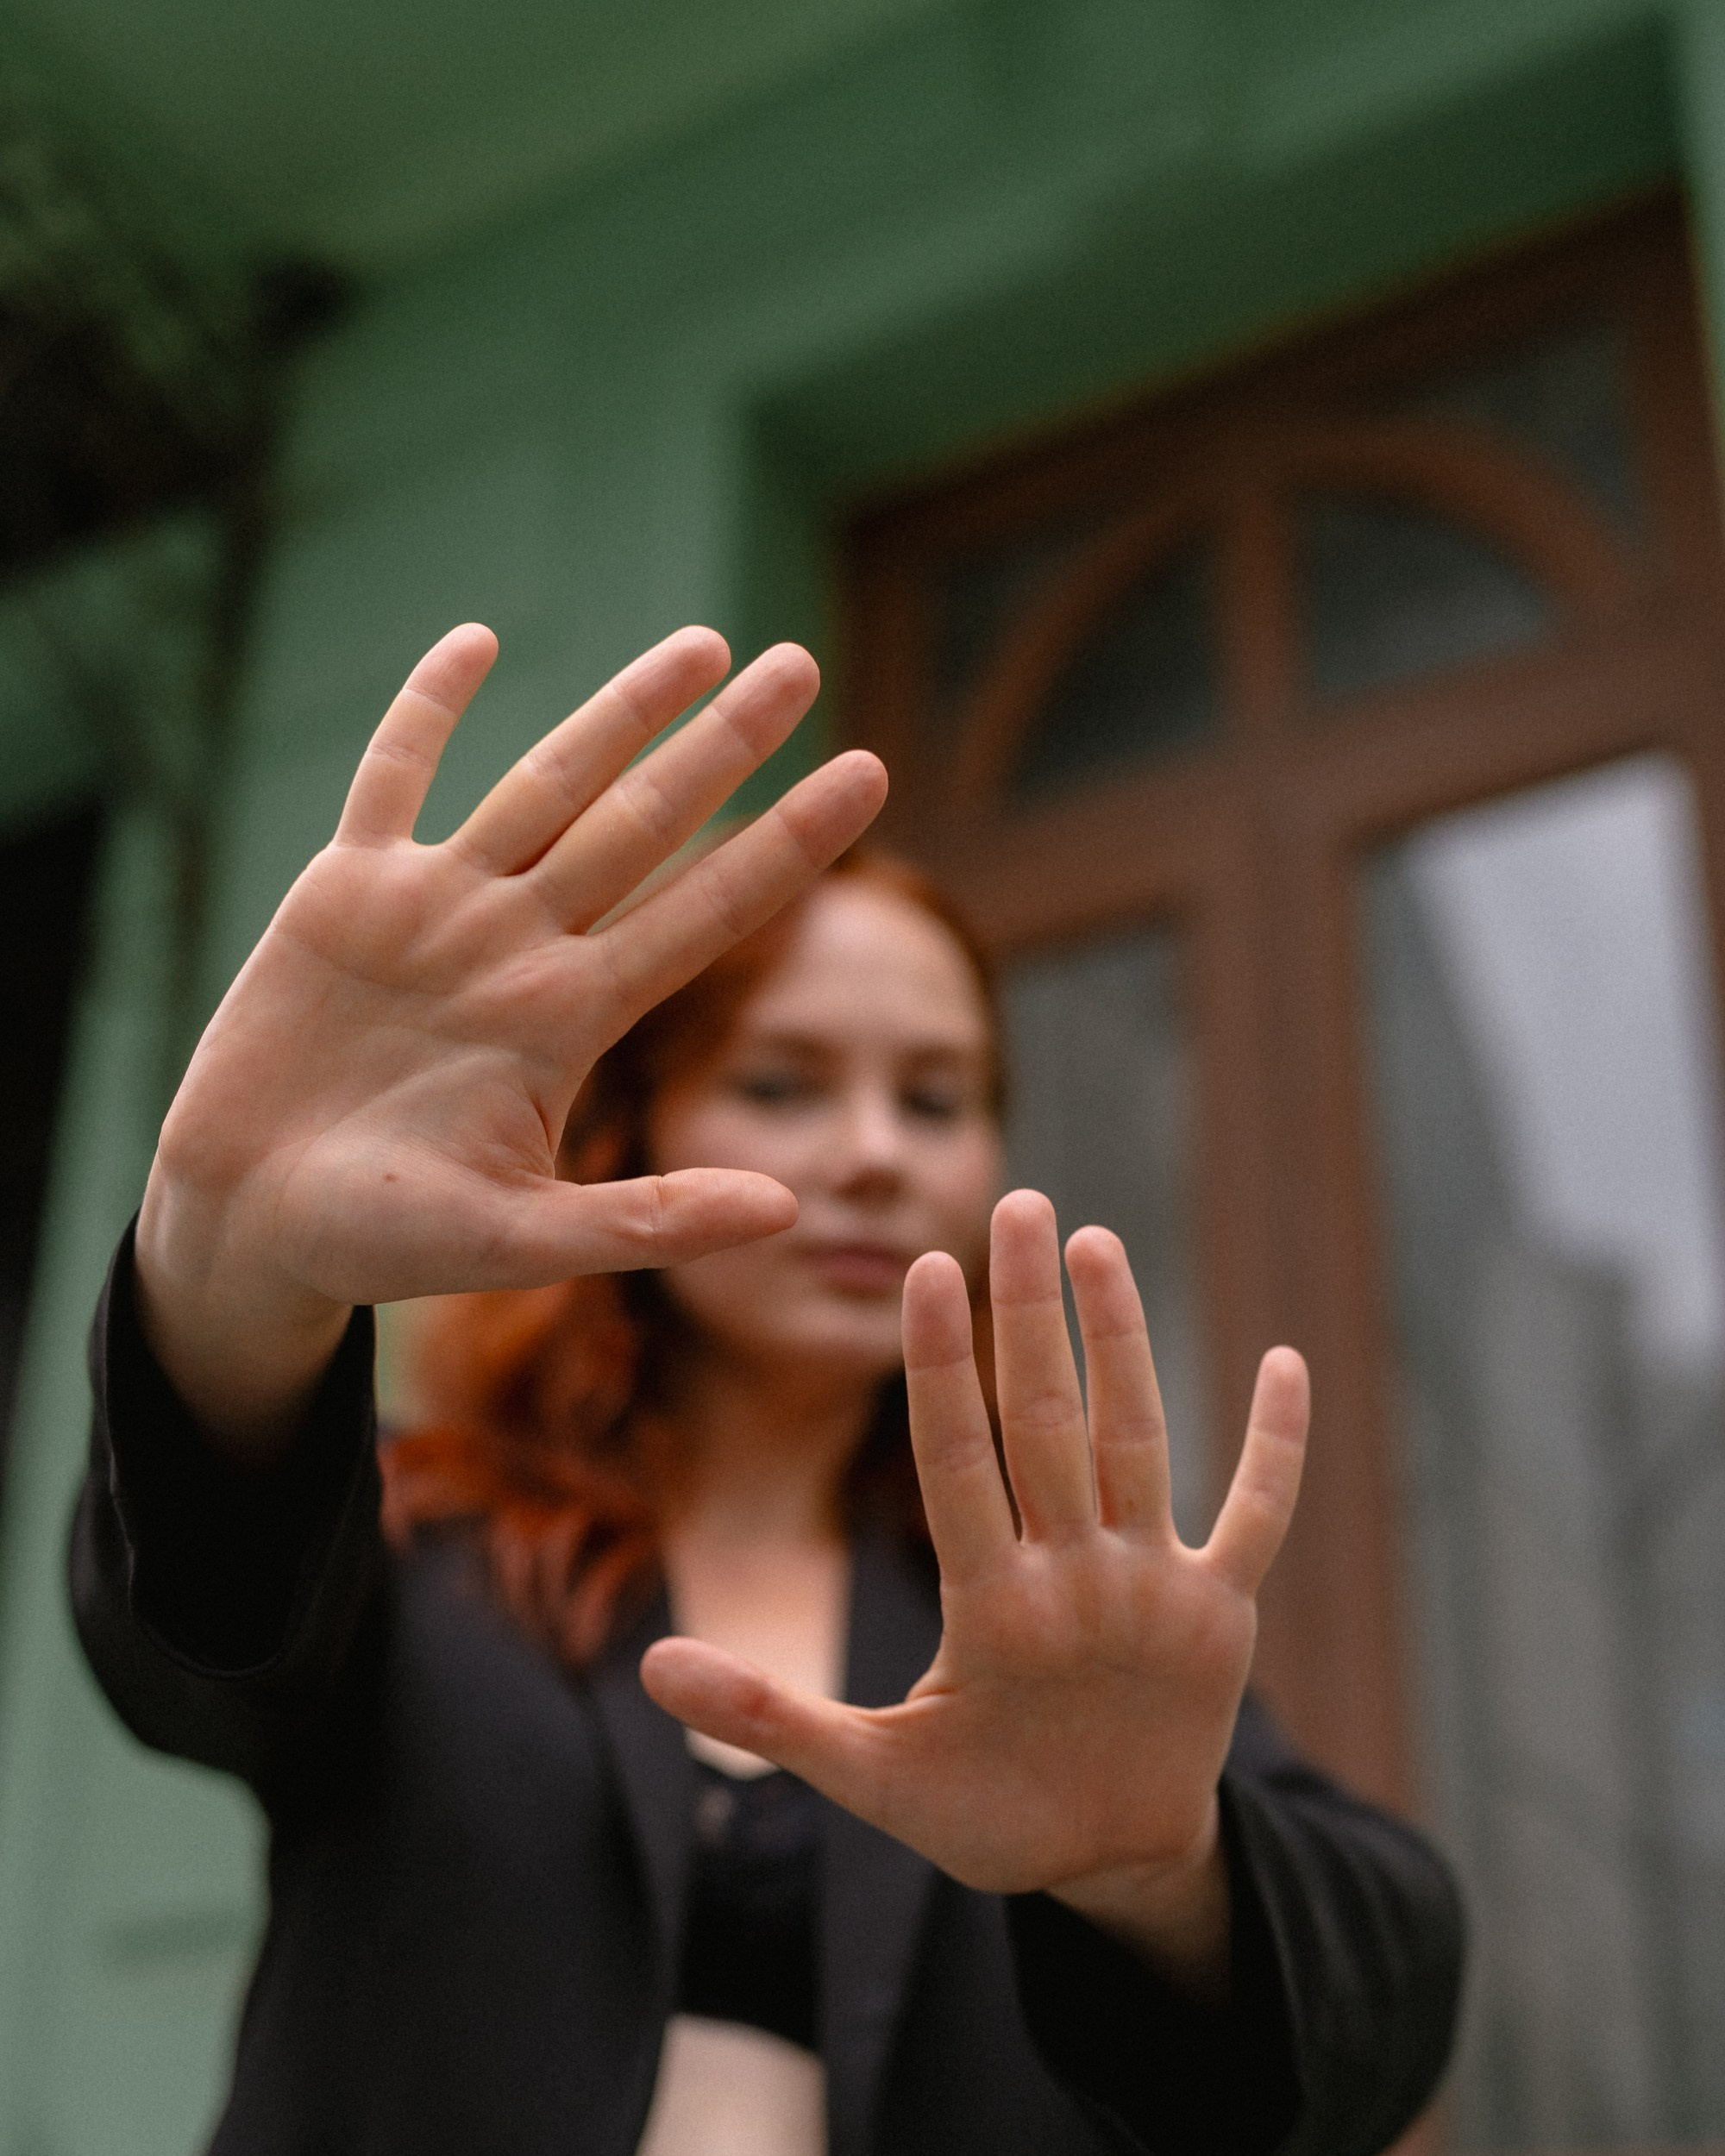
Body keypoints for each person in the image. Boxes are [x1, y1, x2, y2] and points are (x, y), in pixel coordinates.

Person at [72, 623, 1462, 2156]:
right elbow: (193, 1621)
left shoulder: (1035, 1621)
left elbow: (1382, 2000)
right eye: (785, 1081)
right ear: (637, 1125)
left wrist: (1156, 1867)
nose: (874, 1151)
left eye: (936, 1096)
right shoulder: (420, 1543)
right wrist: (229, 1276)